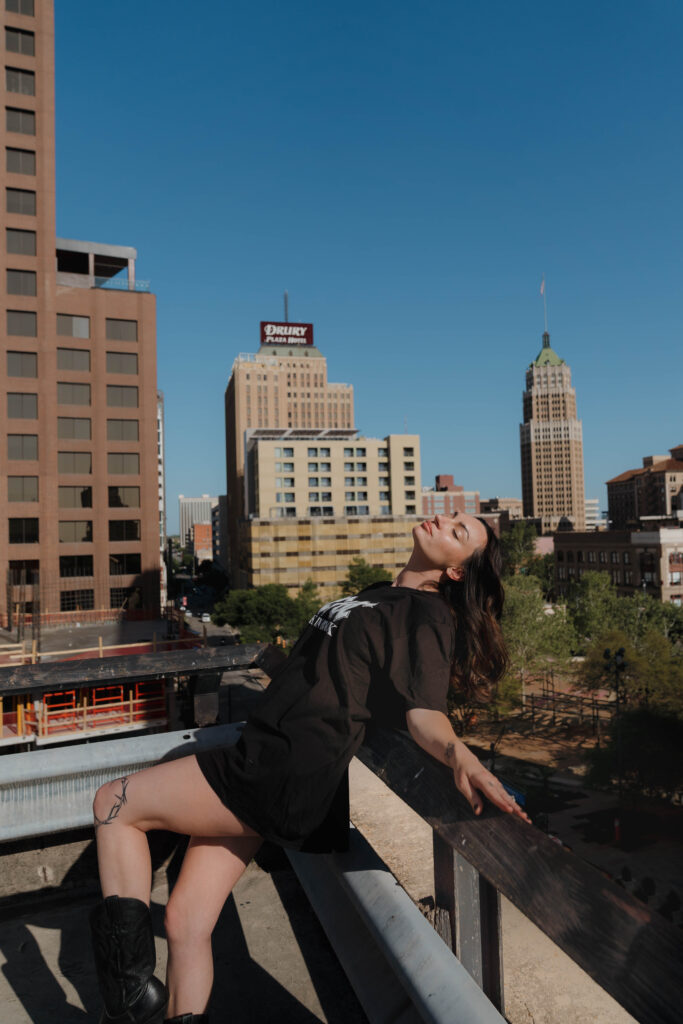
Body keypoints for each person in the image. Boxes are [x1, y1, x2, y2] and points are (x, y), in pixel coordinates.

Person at [90, 512, 529, 1024]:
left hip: (281, 767)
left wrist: (460, 757)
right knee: (187, 922)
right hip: (270, 757)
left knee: (112, 804)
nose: (444, 519)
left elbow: (424, 710)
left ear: (456, 572)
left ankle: (128, 998)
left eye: (459, 533)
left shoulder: (428, 616)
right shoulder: (379, 593)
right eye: (453, 516)